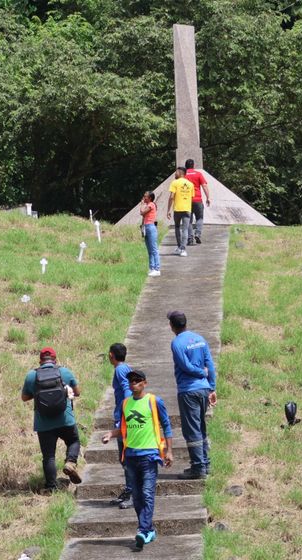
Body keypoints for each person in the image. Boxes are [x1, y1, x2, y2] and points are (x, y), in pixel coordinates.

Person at [102, 370, 173, 551]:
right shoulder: (125, 403)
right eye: (130, 381)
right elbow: (122, 428)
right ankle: (148, 530)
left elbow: (166, 425)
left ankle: (142, 529)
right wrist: (111, 434)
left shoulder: (154, 401)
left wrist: (169, 451)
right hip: (131, 456)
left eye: (137, 381)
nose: (133, 384)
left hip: (149, 455)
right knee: (137, 496)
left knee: (148, 493)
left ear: (144, 383)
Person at [21, 347, 82, 492]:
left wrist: (37, 394)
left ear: (40, 361)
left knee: (48, 456)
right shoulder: (64, 372)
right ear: (55, 360)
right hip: (65, 419)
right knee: (73, 441)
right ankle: (70, 462)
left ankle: (51, 487)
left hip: (44, 423)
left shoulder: (32, 375)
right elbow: (78, 392)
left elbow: (24, 398)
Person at [167, 311, 217, 479]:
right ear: (185, 323)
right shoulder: (200, 339)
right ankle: (205, 464)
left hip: (189, 391)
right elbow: (209, 363)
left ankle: (198, 468)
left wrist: (201, 373)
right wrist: (211, 387)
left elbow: (186, 366)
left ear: (172, 326)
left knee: (192, 430)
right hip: (203, 390)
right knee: (200, 427)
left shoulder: (177, 343)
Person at [109, 343, 134, 509]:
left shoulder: (120, 370)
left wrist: (124, 414)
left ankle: (132, 494)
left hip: (124, 419)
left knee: (127, 458)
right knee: (124, 458)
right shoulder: (125, 368)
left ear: (111, 355)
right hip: (124, 417)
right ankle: (129, 490)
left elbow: (126, 391)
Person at [166, 167, 194, 257]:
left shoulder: (175, 183)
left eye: (176, 172)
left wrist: (168, 210)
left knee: (177, 227)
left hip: (177, 209)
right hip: (187, 209)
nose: (175, 174)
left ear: (180, 173)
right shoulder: (190, 184)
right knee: (185, 229)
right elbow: (191, 197)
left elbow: (171, 197)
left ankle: (179, 247)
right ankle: (183, 249)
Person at [184, 159, 211, 245]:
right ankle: (198, 234)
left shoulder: (183, 175)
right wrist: (208, 197)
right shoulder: (198, 174)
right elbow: (204, 186)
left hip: (187, 200)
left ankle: (190, 239)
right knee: (199, 218)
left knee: (189, 220)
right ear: (193, 165)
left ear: (186, 166)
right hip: (198, 199)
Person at [140, 191, 160, 276]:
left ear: (150, 198)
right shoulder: (147, 205)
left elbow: (142, 212)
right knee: (149, 250)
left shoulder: (151, 204)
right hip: (146, 226)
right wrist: (142, 227)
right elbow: (144, 217)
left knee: (154, 249)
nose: (144, 198)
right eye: (144, 196)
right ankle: (152, 267)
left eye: (145, 197)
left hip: (151, 227)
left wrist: (141, 205)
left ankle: (157, 268)